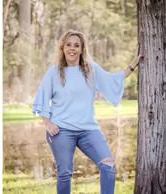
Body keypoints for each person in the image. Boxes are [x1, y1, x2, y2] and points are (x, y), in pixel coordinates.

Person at [32, 30, 143, 194]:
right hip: (61, 130)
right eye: (68, 45)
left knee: (109, 166)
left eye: (76, 45)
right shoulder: (54, 72)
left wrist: (134, 63)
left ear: (82, 49)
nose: (72, 48)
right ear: (63, 48)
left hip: (88, 130)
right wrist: (47, 123)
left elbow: (114, 79)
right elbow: (42, 98)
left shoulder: (91, 70)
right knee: (64, 174)